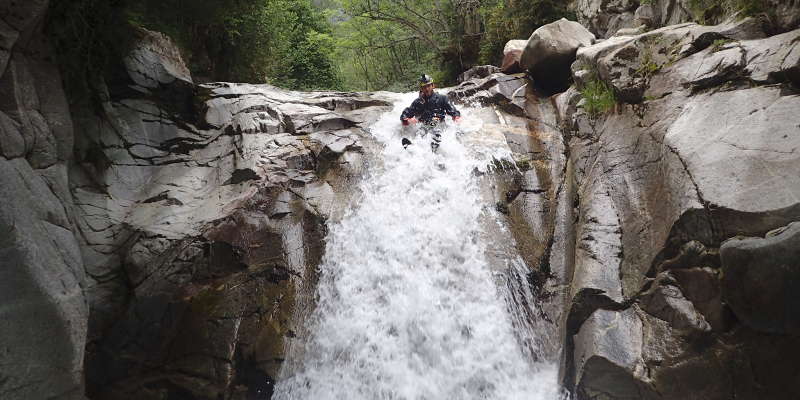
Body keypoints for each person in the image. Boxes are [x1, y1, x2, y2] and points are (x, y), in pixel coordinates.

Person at [400, 74, 461, 151]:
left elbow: (453, 111)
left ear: (433, 86)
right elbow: (405, 114)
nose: (427, 89)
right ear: (421, 88)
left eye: (428, 86)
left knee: (435, 125)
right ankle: (414, 148)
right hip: (424, 125)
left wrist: (456, 117)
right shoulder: (418, 102)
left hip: (439, 124)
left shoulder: (442, 98)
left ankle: (435, 142)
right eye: (424, 87)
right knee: (420, 132)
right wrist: (407, 120)